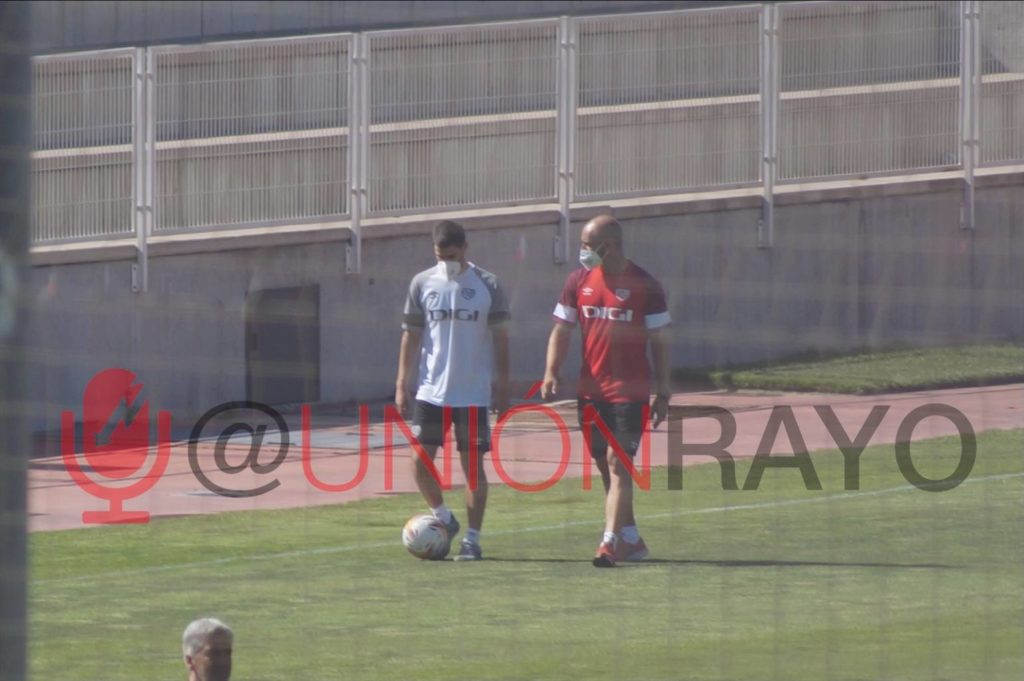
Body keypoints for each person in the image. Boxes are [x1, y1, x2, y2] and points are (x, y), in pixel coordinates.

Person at [541, 215, 671, 567]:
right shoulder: (577, 281)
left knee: (618, 464)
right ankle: (631, 537)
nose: (581, 252)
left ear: (607, 246)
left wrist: (664, 391)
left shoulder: (645, 285)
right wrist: (551, 371)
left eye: (586, 245)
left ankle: (609, 543)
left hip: (630, 392)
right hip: (590, 391)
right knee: (604, 465)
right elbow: (562, 329)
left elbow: (660, 342)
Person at [395, 220, 511, 561]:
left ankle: (472, 540)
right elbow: (411, 335)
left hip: (471, 394)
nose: (445, 260)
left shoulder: (488, 285)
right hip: (431, 392)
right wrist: (402, 383)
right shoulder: (422, 283)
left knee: (472, 468)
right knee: (418, 462)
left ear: (464, 249)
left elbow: (502, 340)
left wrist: (503, 388)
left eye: (451, 254)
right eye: (439, 255)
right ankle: (446, 519)